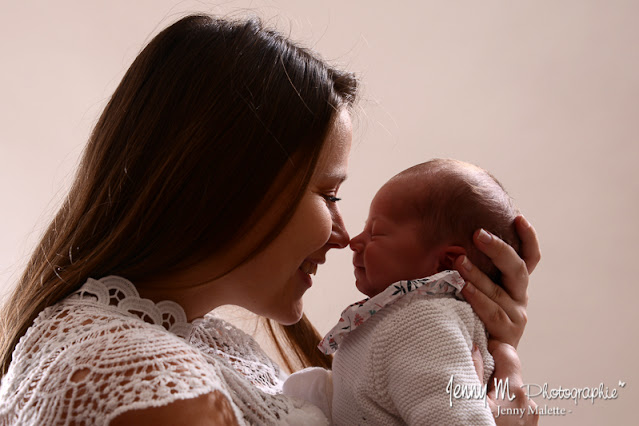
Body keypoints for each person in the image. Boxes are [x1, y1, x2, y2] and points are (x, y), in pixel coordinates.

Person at [0, 14, 540, 426]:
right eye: (328, 193)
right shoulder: (144, 377)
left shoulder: (203, 347)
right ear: (232, 180)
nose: (343, 234)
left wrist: (484, 345)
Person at [289, 159, 523, 425]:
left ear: (446, 263)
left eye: (375, 233)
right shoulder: (407, 320)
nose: (354, 241)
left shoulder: (424, 325)